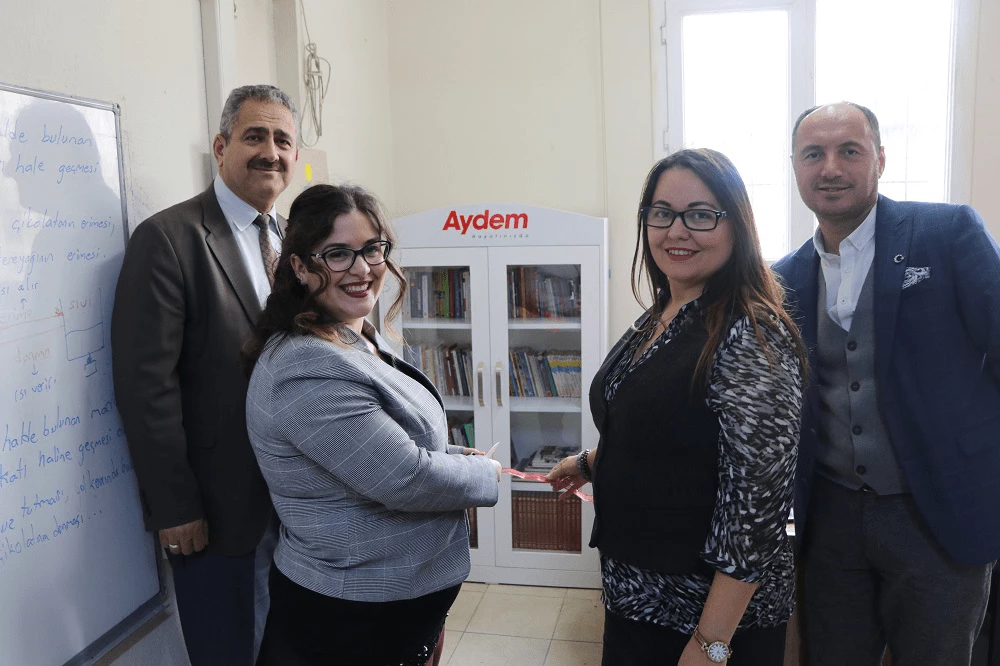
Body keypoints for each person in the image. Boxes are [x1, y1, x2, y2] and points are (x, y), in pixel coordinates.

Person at [548, 148, 806, 665]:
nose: (677, 230)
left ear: (737, 227)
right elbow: (664, 427)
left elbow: (755, 507)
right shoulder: (667, 310)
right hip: (640, 596)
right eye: (661, 213)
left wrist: (711, 644)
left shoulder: (750, 334)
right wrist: (590, 463)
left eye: (701, 215)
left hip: (703, 616)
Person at [772, 101, 1000, 665]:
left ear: (880, 159)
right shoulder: (783, 278)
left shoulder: (947, 233)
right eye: (813, 154)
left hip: (940, 513)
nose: (830, 167)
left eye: (849, 150)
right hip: (831, 521)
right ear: (796, 168)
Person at [244, 183, 501, 666]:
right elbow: (405, 477)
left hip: (391, 612)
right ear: (299, 266)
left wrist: (455, 455)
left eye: (371, 249)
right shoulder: (304, 366)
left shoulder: (355, 336)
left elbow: (390, 441)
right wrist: (486, 474)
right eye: (337, 254)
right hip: (348, 619)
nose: (362, 269)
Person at [111, 84, 298, 665]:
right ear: (220, 148)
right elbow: (147, 388)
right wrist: (175, 505)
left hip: (299, 503)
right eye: (255, 136)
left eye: (283, 139)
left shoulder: (296, 238)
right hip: (218, 514)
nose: (271, 151)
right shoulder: (169, 239)